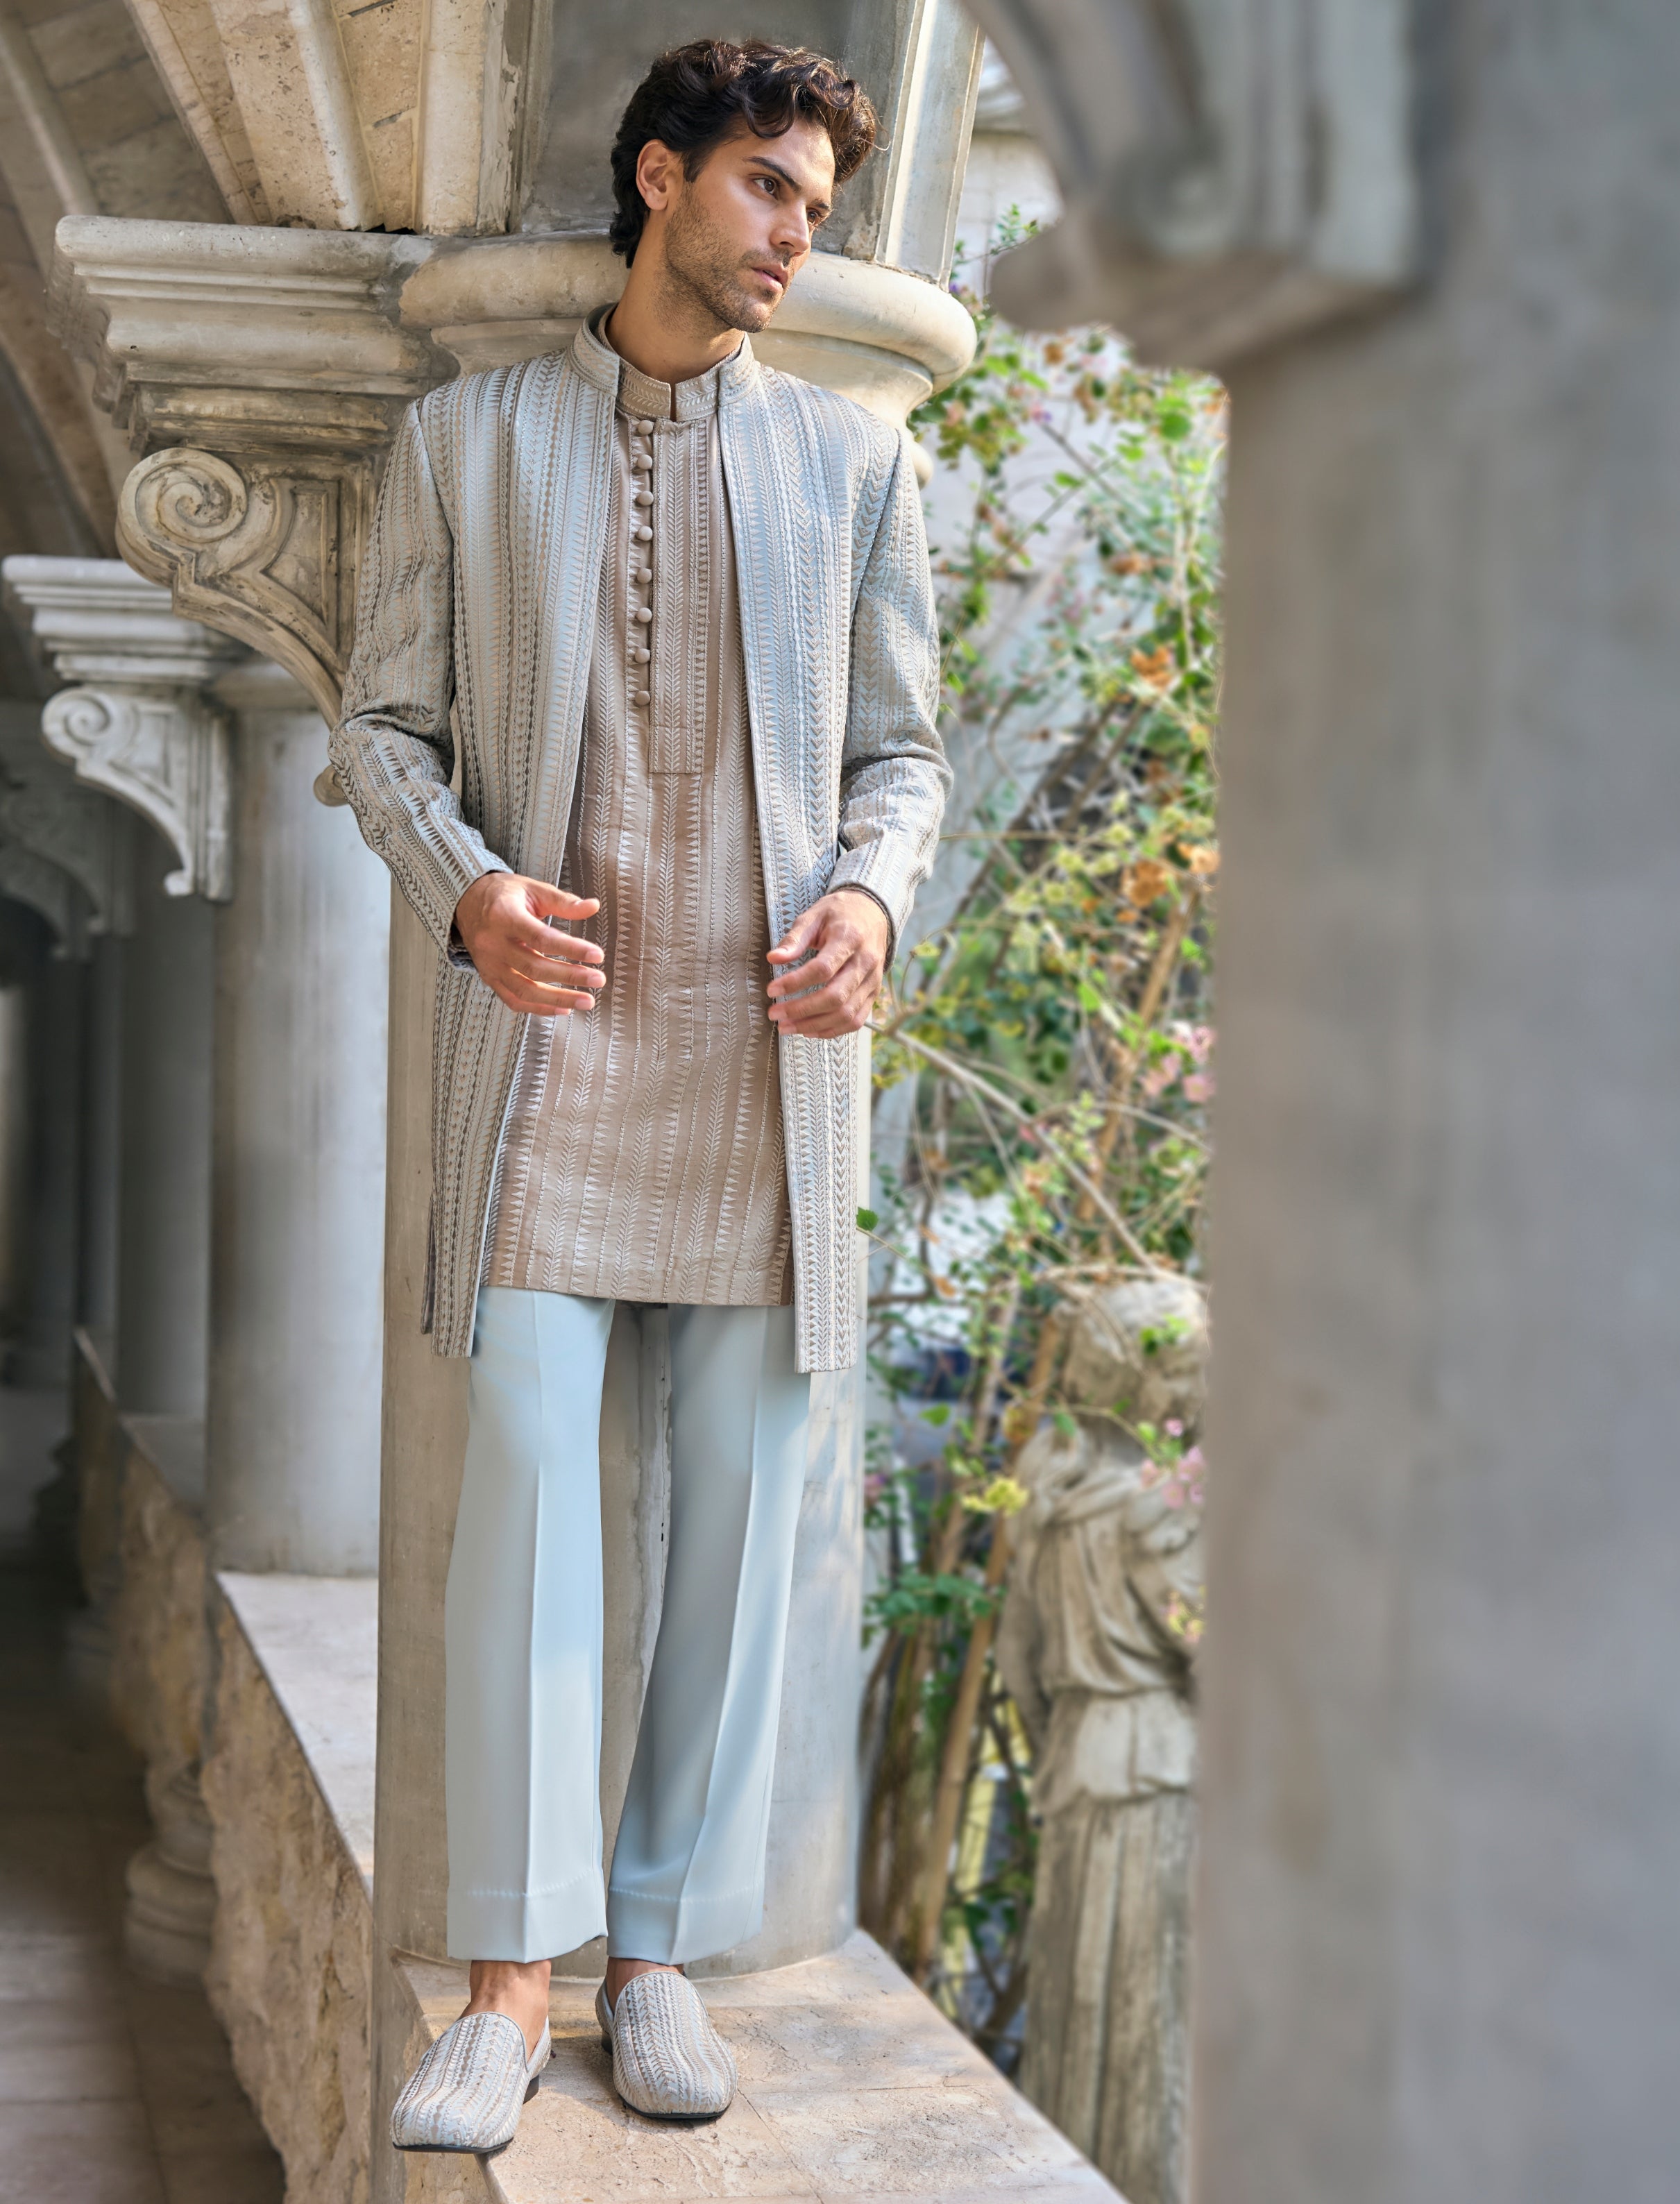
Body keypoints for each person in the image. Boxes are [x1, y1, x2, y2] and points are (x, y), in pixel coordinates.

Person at [330, 37, 948, 2150]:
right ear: (662, 177)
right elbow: (380, 729)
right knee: (525, 1493)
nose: (798, 240)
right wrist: (467, 886)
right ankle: (511, 1981)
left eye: (822, 212)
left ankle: (657, 1952)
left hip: (771, 1074)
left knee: (740, 1521)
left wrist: (869, 895)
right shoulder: (467, 439)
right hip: (549, 1061)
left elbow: (906, 756)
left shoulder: (856, 468)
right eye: (771, 188)